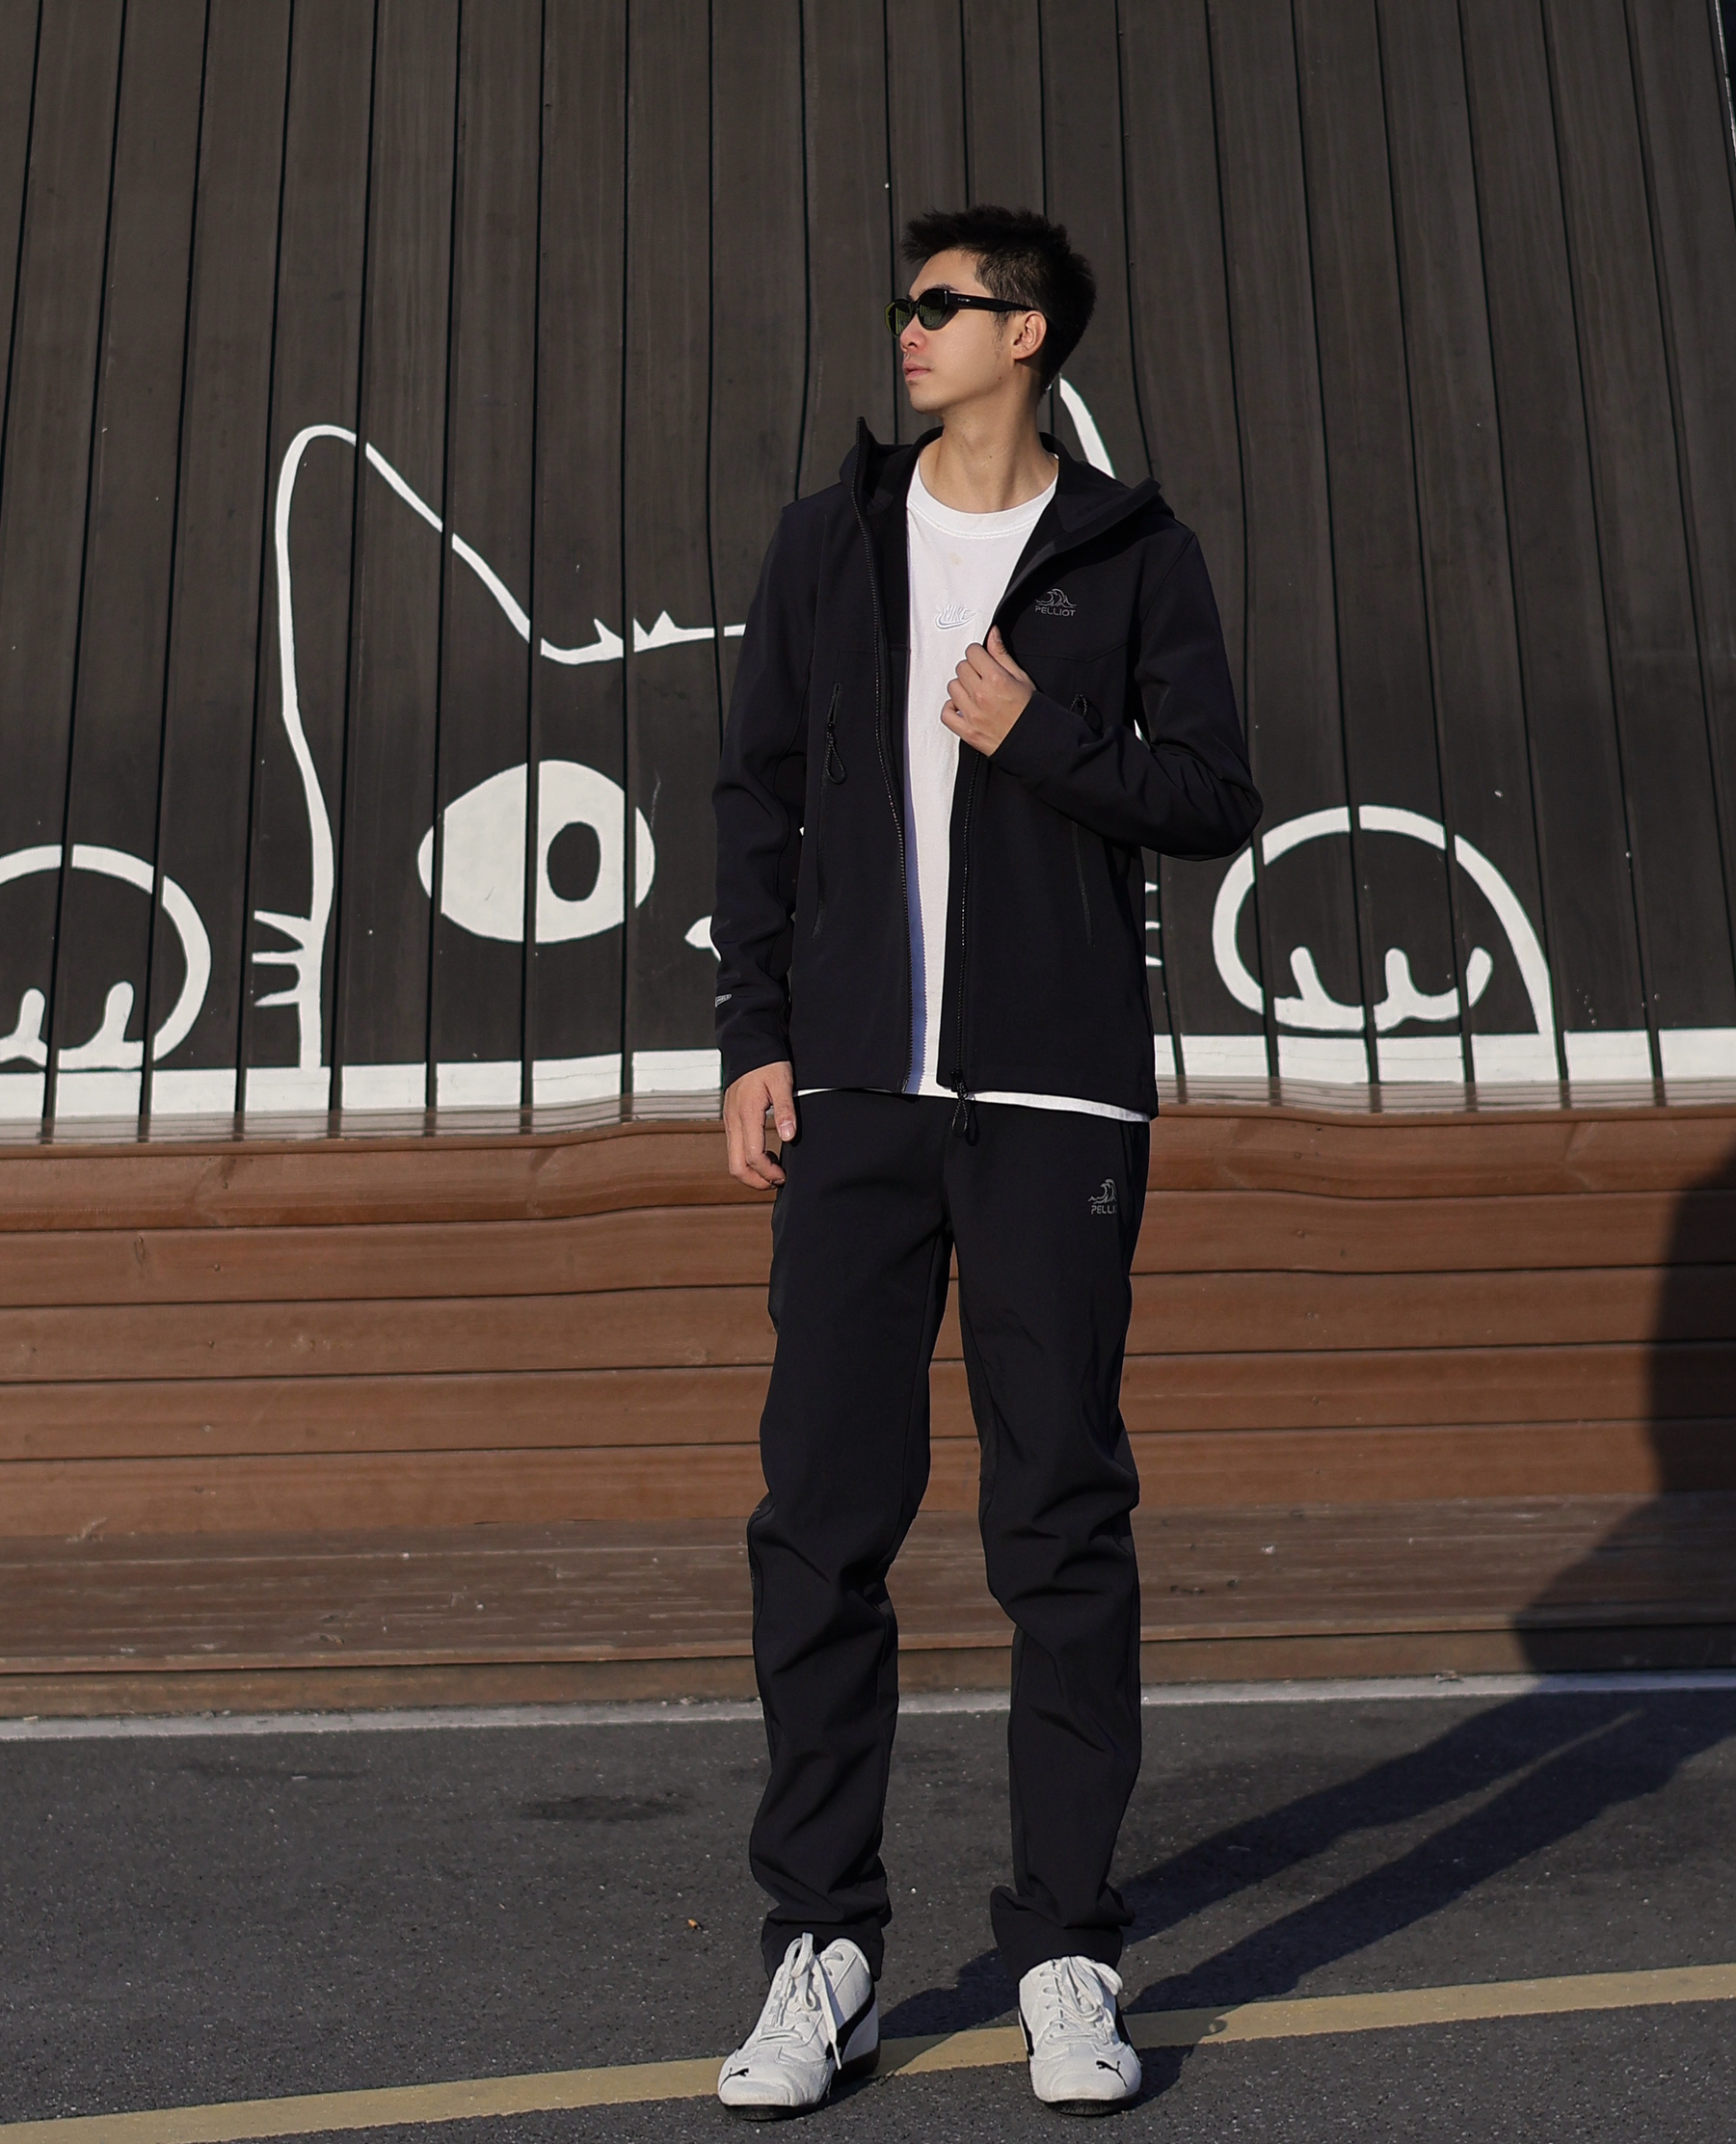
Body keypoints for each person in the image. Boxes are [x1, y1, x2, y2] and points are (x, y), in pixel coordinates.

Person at [709, 204, 1260, 2119]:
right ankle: (822, 1948)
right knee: (819, 1519)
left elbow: (1210, 794)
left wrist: (1039, 735)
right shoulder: (829, 543)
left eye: (941, 305)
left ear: (1026, 334)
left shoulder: (1129, 552)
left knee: (1058, 1524)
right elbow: (757, 798)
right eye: (906, 302)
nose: (908, 328)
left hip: (1052, 1107)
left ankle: (1066, 1954)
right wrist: (756, 1036)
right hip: (857, 1098)